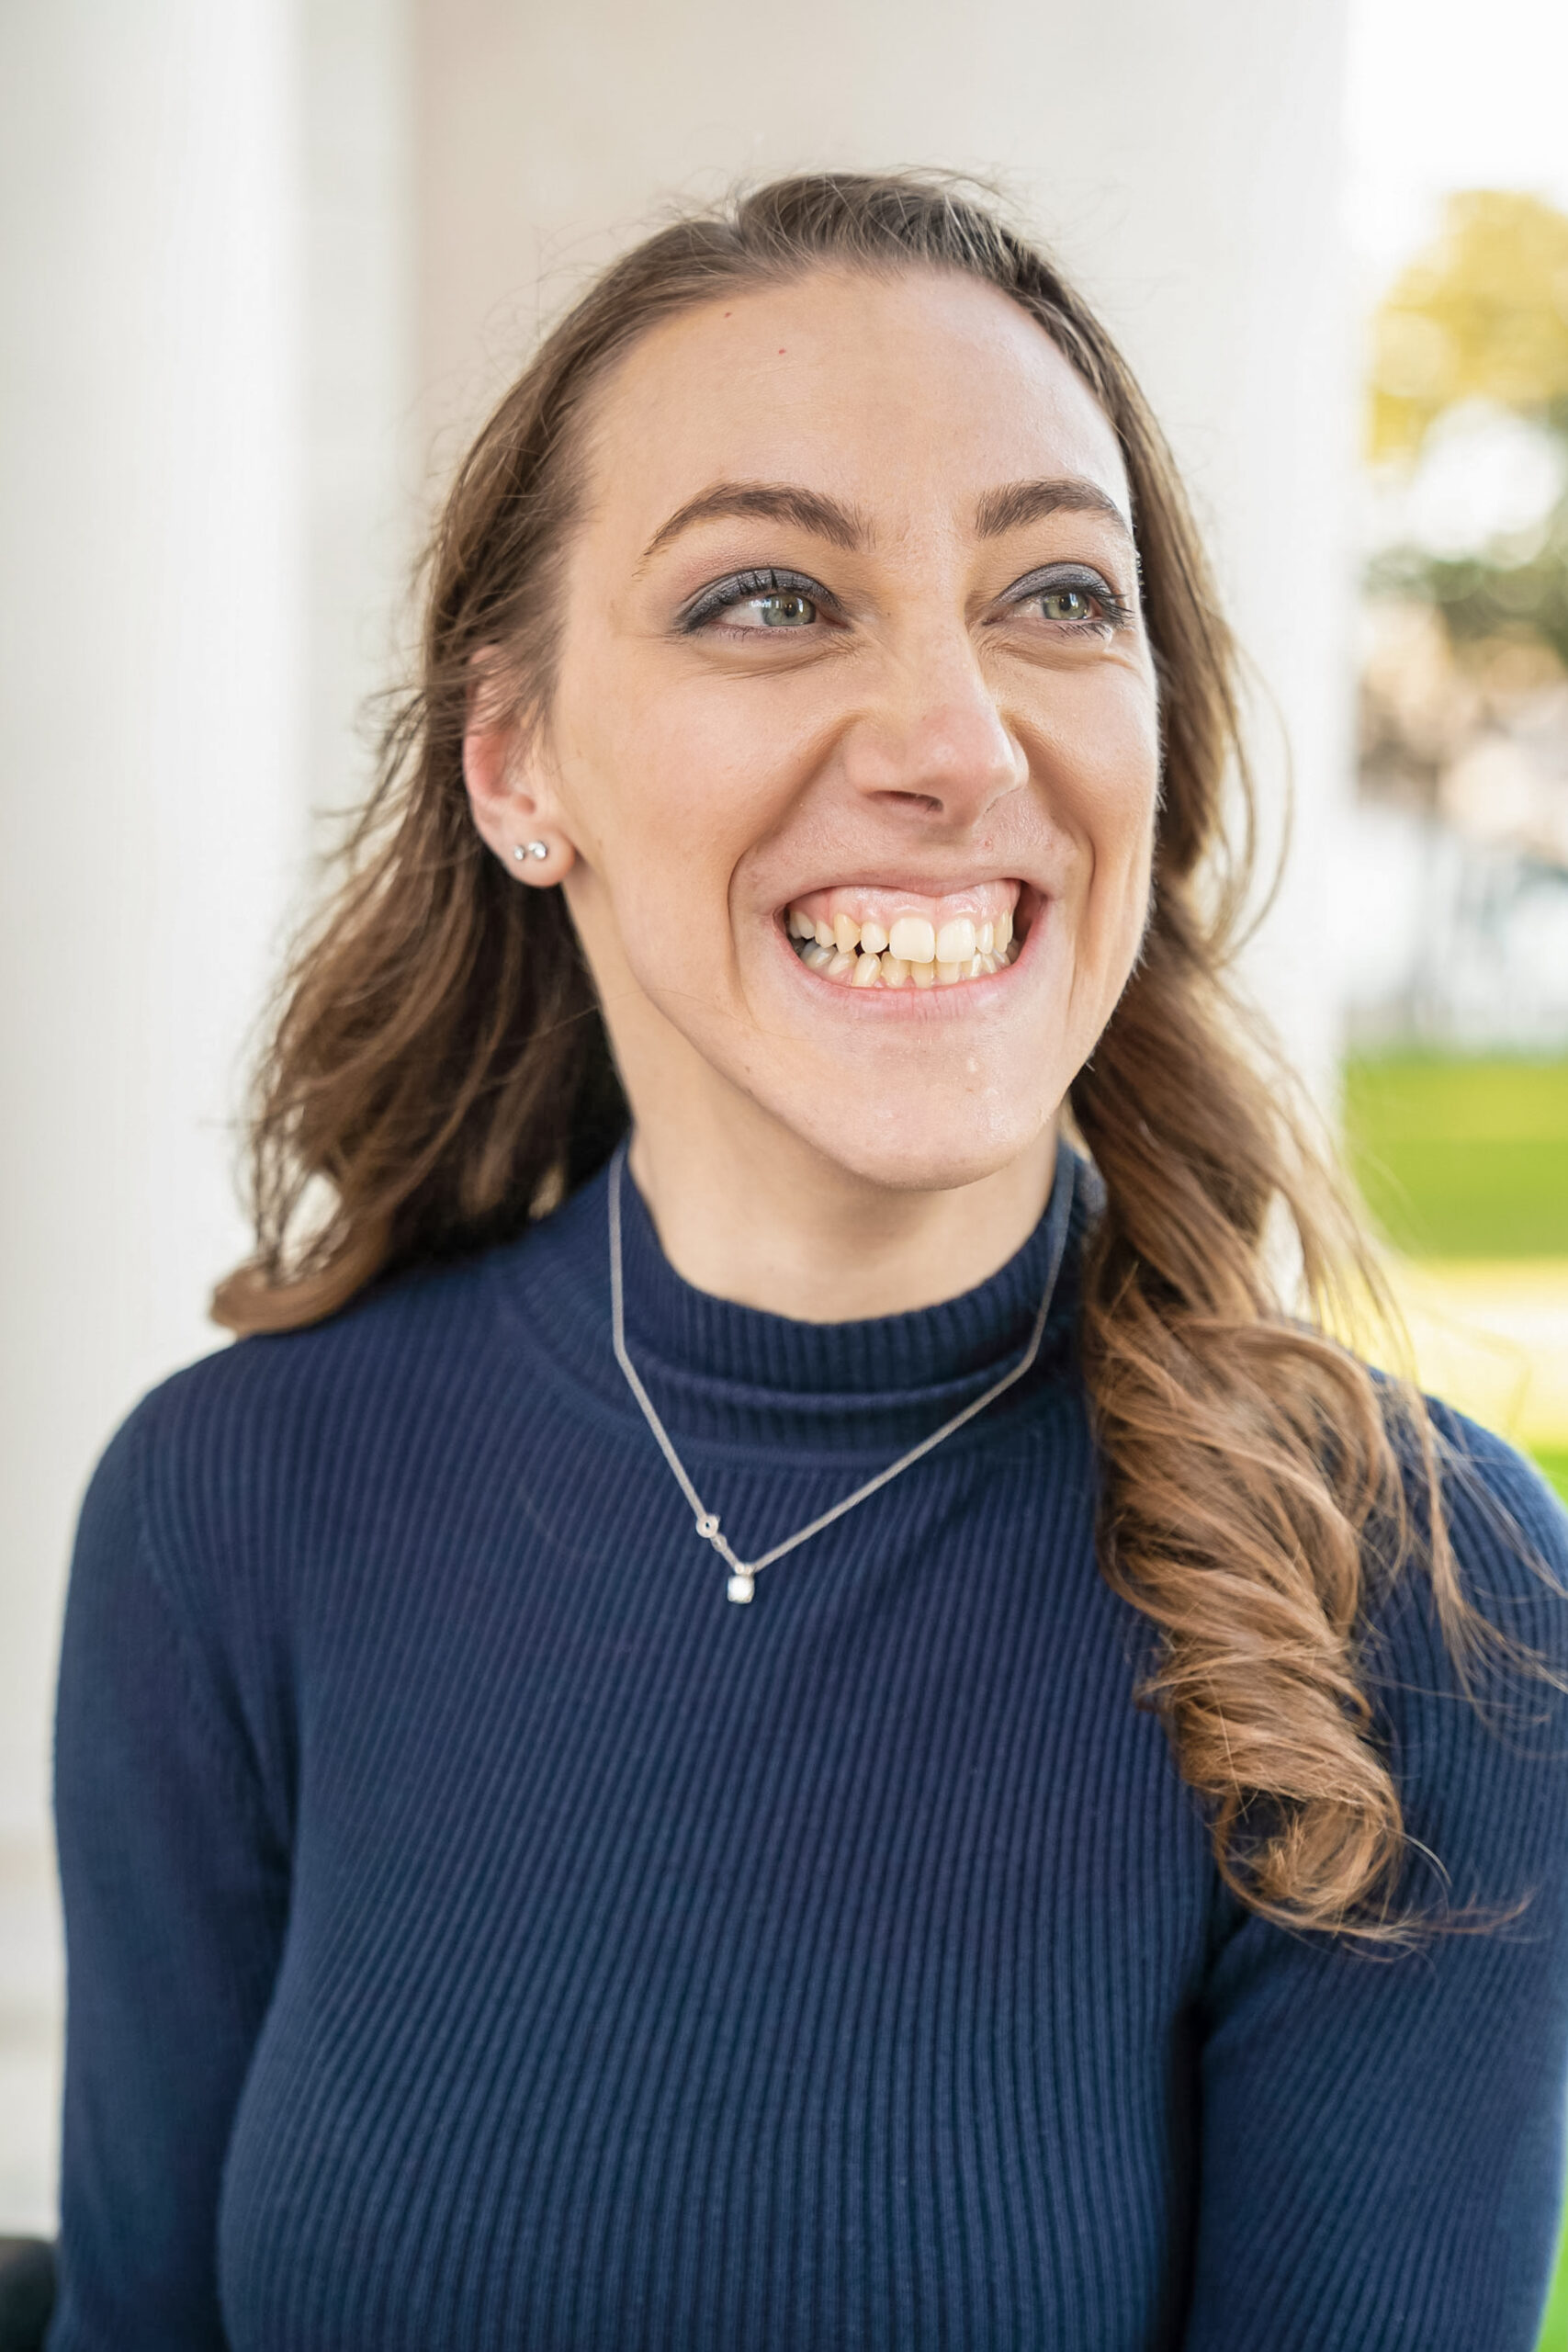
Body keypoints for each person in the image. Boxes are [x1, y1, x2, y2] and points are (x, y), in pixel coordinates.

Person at [48, 174, 1568, 2352]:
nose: (955, 741)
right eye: (770, 597)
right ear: (517, 761)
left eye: (1055, 593)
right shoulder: (231, 1511)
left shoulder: (1404, 1604)